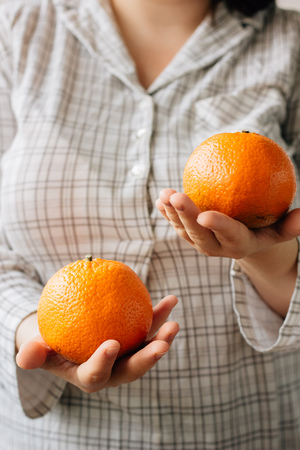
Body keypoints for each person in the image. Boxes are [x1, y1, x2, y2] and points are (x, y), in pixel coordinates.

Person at [1, 0, 300, 448]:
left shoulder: (289, 41)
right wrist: (34, 330)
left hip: (246, 428)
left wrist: (267, 257)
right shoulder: (18, 28)